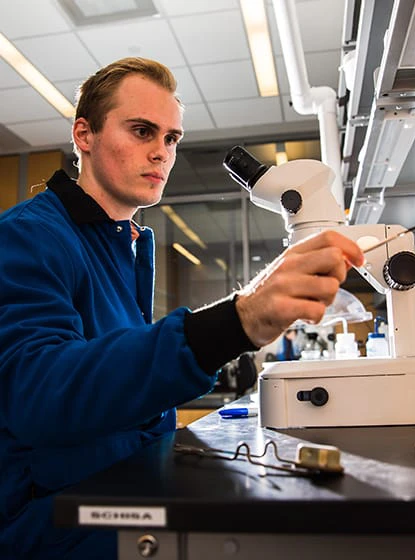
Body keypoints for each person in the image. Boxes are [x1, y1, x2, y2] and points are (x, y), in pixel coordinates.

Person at [0, 57, 364, 559]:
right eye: (142, 131)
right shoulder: (28, 237)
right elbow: (41, 394)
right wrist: (238, 320)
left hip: (121, 497)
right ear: (84, 135)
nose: (161, 153)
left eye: (171, 138)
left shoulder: (124, 245)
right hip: (53, 528)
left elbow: (124, 391)